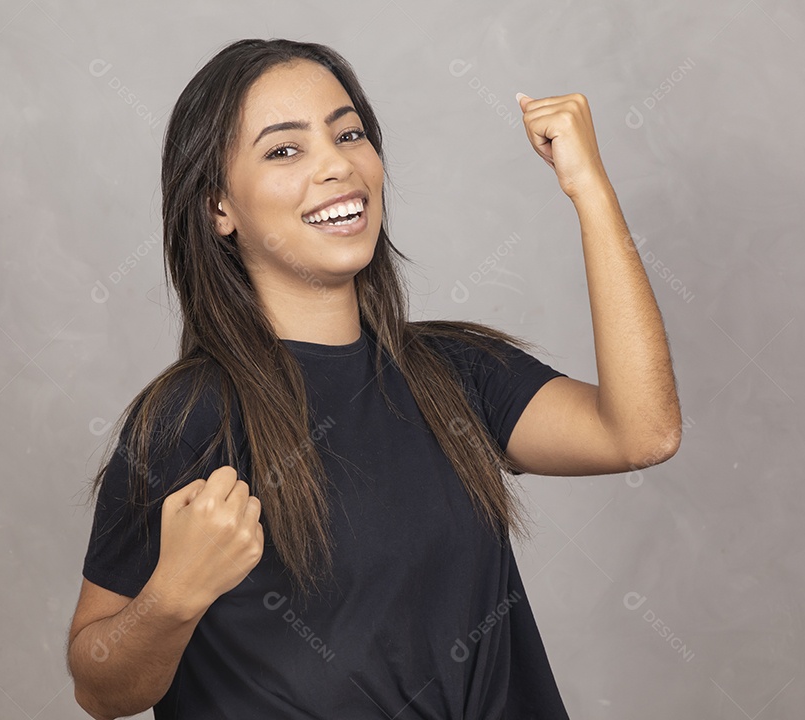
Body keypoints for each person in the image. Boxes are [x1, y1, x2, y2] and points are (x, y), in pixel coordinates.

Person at [66, 37, 681, 720]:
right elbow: (100, 688)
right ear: (219, 209)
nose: (337, 165)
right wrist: (172, 598)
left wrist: (590, 191)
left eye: (349, 134)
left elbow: (641, 433)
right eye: (284, 150)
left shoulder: (456, 374)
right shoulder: (187, 421)